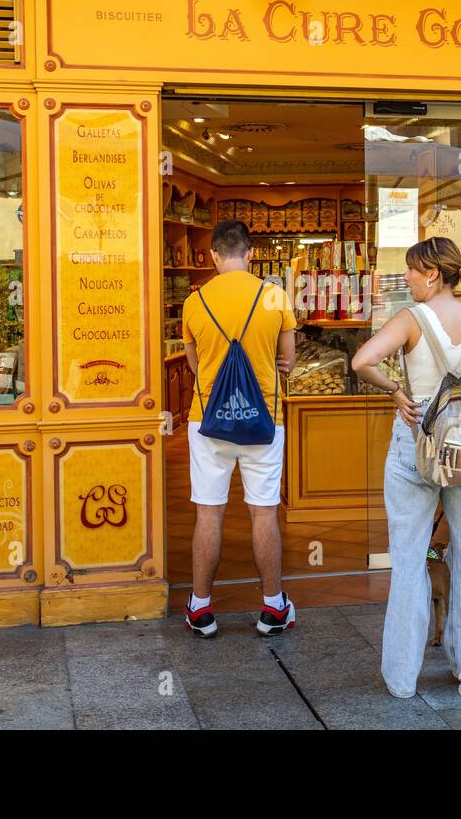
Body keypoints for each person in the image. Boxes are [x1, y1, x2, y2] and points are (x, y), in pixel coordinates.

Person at [351, 236, 461, 697]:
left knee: (410, 560)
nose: (408, 279)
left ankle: (401, 678)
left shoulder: (411, 320)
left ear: (432, 274)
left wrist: (396, 390)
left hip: (416, 448)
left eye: (413, 271)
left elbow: (362, 361)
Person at [181, 220, 297, 638]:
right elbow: (287, 362)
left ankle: (200, 608)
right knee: (263, 511)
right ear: (251, 254)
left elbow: (195, 367)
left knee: (208, 512)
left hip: (207, 420)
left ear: (213, 255)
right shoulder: (275, 297)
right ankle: (272, 607)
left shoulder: (195, 303)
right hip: (264, 419)